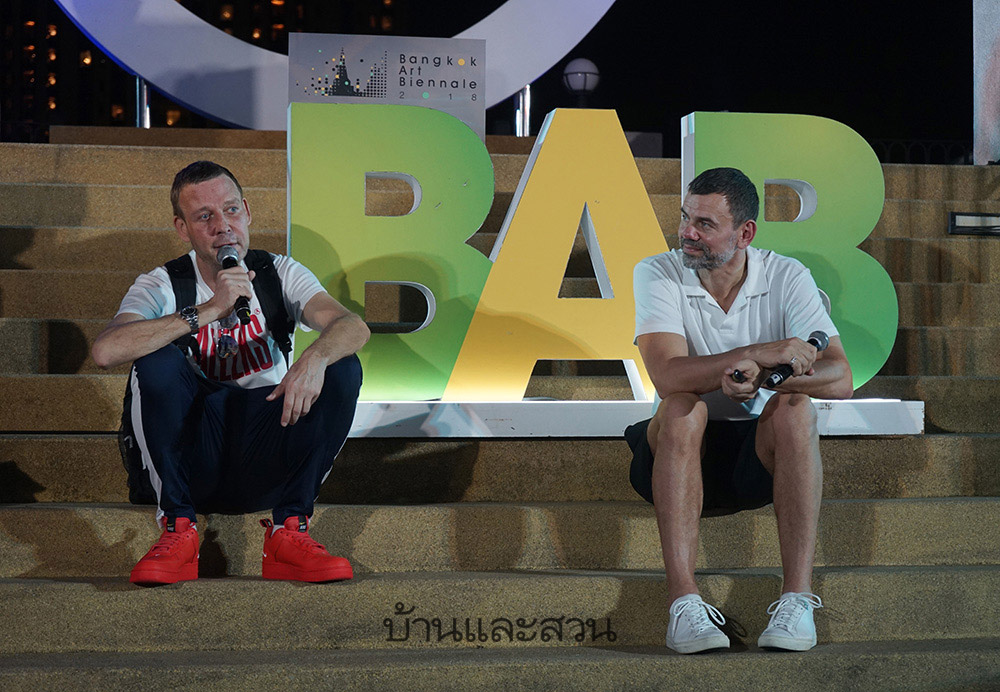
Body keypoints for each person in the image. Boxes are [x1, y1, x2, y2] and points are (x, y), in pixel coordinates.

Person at [92, 160, 370, 586]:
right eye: (205, 216)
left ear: (248, 212)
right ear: (182, 228)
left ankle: (289, 530)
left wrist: (313, 360)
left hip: (266, 448)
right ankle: (178, 529)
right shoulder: (162, 283)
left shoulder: (280, 272)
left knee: (342, 365)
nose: (224, 226)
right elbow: (107, 350)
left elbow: (353, 326)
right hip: (193, 456)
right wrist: (208, 310)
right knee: (155, 359)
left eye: (232, 210)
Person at [625, 167, 853, 653]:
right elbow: (666, 377)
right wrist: (760, 352)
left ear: (745, 233)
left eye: (705, 224)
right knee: (684, 407)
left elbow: (840, 376)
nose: (687, 232)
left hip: (760, 459)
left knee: (794, 406)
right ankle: (683, 606)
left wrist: (769, 376)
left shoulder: (788, 274)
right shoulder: (656, 270)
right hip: (675, 451)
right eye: (686, 218)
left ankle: (796, 600)